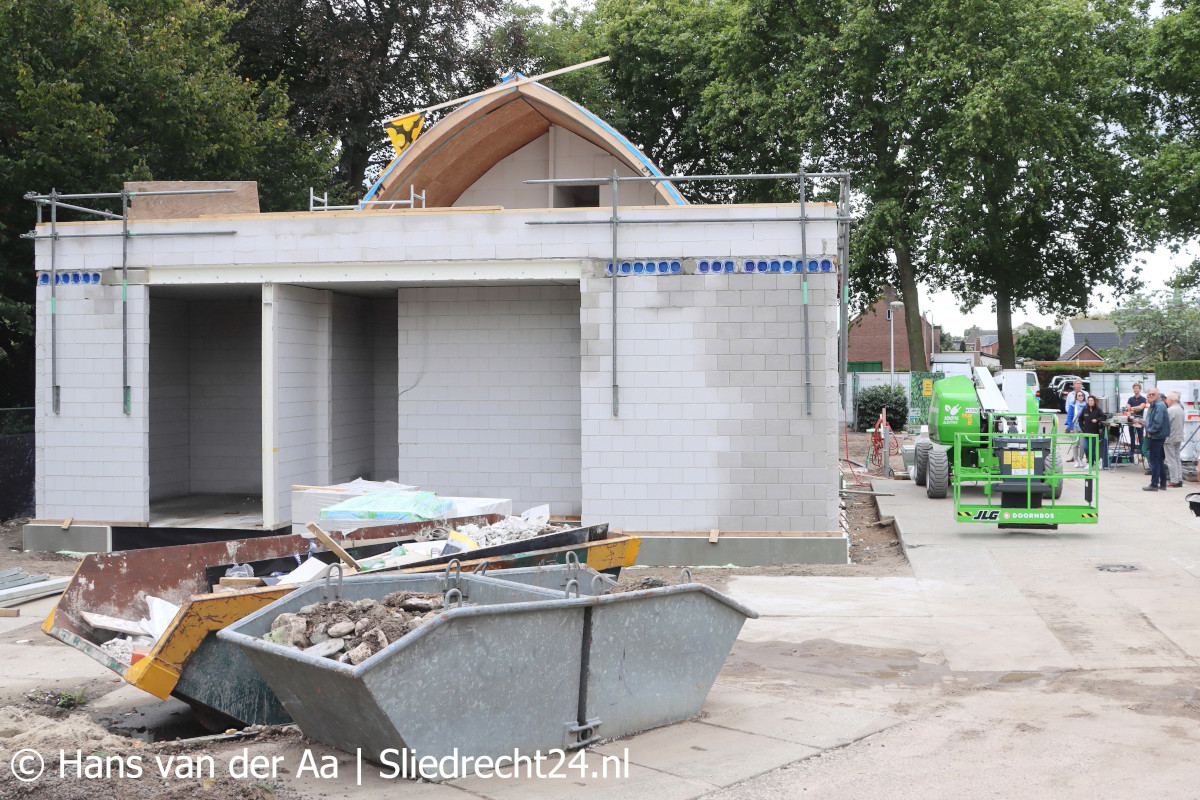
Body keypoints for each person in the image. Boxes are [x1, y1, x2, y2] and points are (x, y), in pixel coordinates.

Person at [1143, 387, 1169, 491]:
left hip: (1156, 436)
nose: (1150, 396)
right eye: (1149, 395)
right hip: (1157, 435)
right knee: (1158, 460)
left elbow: (1157, 423)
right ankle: (1162, 483)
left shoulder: (1159, 405)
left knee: (1155, 460)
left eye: (1153, 394)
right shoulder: (1156, 405)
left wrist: (1150, 432)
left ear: (1158, 395)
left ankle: (1154, 484)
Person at [1076, 395, 1110, 470]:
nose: (1090, 402)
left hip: (1094, 433)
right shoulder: (1085, 410)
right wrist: (1082, 428)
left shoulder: (1098, 410)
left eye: (1092, 400)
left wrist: (1097, 420)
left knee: (1091, 448)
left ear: (1094, 402)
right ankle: (1097, 461)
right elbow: (1080, 419)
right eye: (1089, 400)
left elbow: (1103, 417)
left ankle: (1091, 464)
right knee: (1085, 447)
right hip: (1086, 432)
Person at [1165, 390, 1184, 488]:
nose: (1167, 402)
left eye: (1168, 400)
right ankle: (1179, 478)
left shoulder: (1170, 410)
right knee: (1177, 458)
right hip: (1179, 436)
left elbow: (1166, 423)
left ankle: (1174, 480)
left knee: (1170, 459)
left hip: (1170, 437)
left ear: (1171, 400)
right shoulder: (1181, 409)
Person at [1067, 390, 1088, 465]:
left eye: (1082, 395)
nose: (1081, 397)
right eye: (1079, 395)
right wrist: (1071, 428)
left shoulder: (1086, 406)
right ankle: (1075, 460)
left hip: (1082, 426)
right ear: (1076, 397)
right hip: (1075, 425)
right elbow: (1069, 417)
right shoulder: (1073, 405)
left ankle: (1080, 459)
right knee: (1075, 444)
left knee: (1082, 445)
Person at [1125, 382, 1148, 452]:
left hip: (1140, 419)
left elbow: (1141, 407)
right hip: (1131, 420)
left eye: (1137, 388)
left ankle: (1142, 453)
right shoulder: (1130, 399)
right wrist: (1134, 408)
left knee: (1140, 437)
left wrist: (1132, 408)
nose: (1135, 390)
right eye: (1134, 388)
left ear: (1139, 389)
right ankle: (1131, 454)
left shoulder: (1143, 399)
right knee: (1132, 437)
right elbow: (1127, 407)